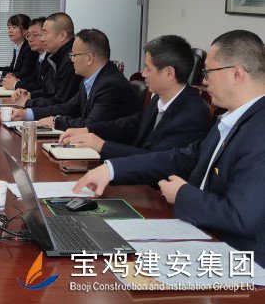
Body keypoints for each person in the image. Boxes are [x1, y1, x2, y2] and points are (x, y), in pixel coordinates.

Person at [73, 30, 265, 266]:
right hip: (201, 235)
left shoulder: (260, 130)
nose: (204, 81)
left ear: (236, 74)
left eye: (209, 72)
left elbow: (240, 217)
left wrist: (182, 194)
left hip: (241, 261)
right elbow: (181, 157)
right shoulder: (231, 119)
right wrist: (112, 169)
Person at [59, 35, 212, 159]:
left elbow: (157, 160)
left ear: (169, 73)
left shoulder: (192, 113)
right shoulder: (160, 99)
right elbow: (131, 124)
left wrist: (103, 146)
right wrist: (87, 130)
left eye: (148, 68)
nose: (143, 74)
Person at [11, 28, 141, 130]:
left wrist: (56, 121)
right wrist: (26, 114)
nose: (71, 59)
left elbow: (90, 125)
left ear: (89, 58)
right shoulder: (89, 80)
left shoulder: (111, 85)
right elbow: (67, 108)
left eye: (74, 55)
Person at [11, 12, 81, 108]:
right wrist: (29, 95)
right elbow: (49, 90)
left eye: (45, 33)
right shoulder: (56, 56)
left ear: (62, 35)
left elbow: (60, 102)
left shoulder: (71, 60)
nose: (42, 39)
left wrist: (28, 103)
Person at [0, 14, 38, 82]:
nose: (10, 30)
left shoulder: (29, 48)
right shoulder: (18, 47)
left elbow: (24, 74)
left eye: (14, 27)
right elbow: (12, 68)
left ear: (26, 31)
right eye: (9, 27)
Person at [2, 17, 47, 91]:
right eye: (28, 35)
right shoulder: (41, 56)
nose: (30, 39)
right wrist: (16, 81)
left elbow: (45, 88)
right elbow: (34, 78)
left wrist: (16, 84)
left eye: (34, 35)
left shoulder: (51, 58)